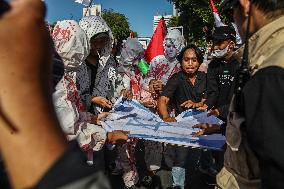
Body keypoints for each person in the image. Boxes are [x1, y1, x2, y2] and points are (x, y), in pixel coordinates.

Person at [0, 1, 126, 188]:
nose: (90, 48)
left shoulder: (64, 77)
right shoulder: (57, 81)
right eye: (82, 43)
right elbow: (68, 129)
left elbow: (74, 112)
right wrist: (106, 135)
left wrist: (95, 118)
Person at [195, 0, 284, 188]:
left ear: (244, 6)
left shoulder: (268, 71)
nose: (216, 46)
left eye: (232, 11)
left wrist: (221, 113)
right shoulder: (258, 60)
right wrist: (208, 109)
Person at [157, 44, 207, 189]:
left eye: (194, 59)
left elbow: (212, 97)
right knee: (181, 159)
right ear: (181, 61)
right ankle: (178, 184)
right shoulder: (177, 78)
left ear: (199, 61)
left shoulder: (206, 77)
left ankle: (204, 172)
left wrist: (201, 103)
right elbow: (162, 100)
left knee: (203, 154)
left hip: (203, 125)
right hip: (183, 127)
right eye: (186, 60)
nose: (190, 63)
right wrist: (166, 118)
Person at [143, 29, 185, 187]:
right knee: (152, 139)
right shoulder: (156, 61)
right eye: (166, 45)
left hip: (172, 109)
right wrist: (151, 83)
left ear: (180, 46)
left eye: (173, 46)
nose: (169, 49)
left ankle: (170, 166)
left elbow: (185, 88)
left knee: (170, 140)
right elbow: (145, 79)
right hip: (154, 108)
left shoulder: (182, 64)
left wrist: (167, 88)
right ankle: (151, 170)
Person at [76, 15, 117, 115]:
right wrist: (92, 99)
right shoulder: (75, 63)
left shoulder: (107, 61)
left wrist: (123, 91)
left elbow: (114, 83)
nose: (98, 46)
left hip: (103, 113)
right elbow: (70, 95)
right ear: (85, 39)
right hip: (81, 116)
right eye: (94, 42)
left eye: (102, 42)